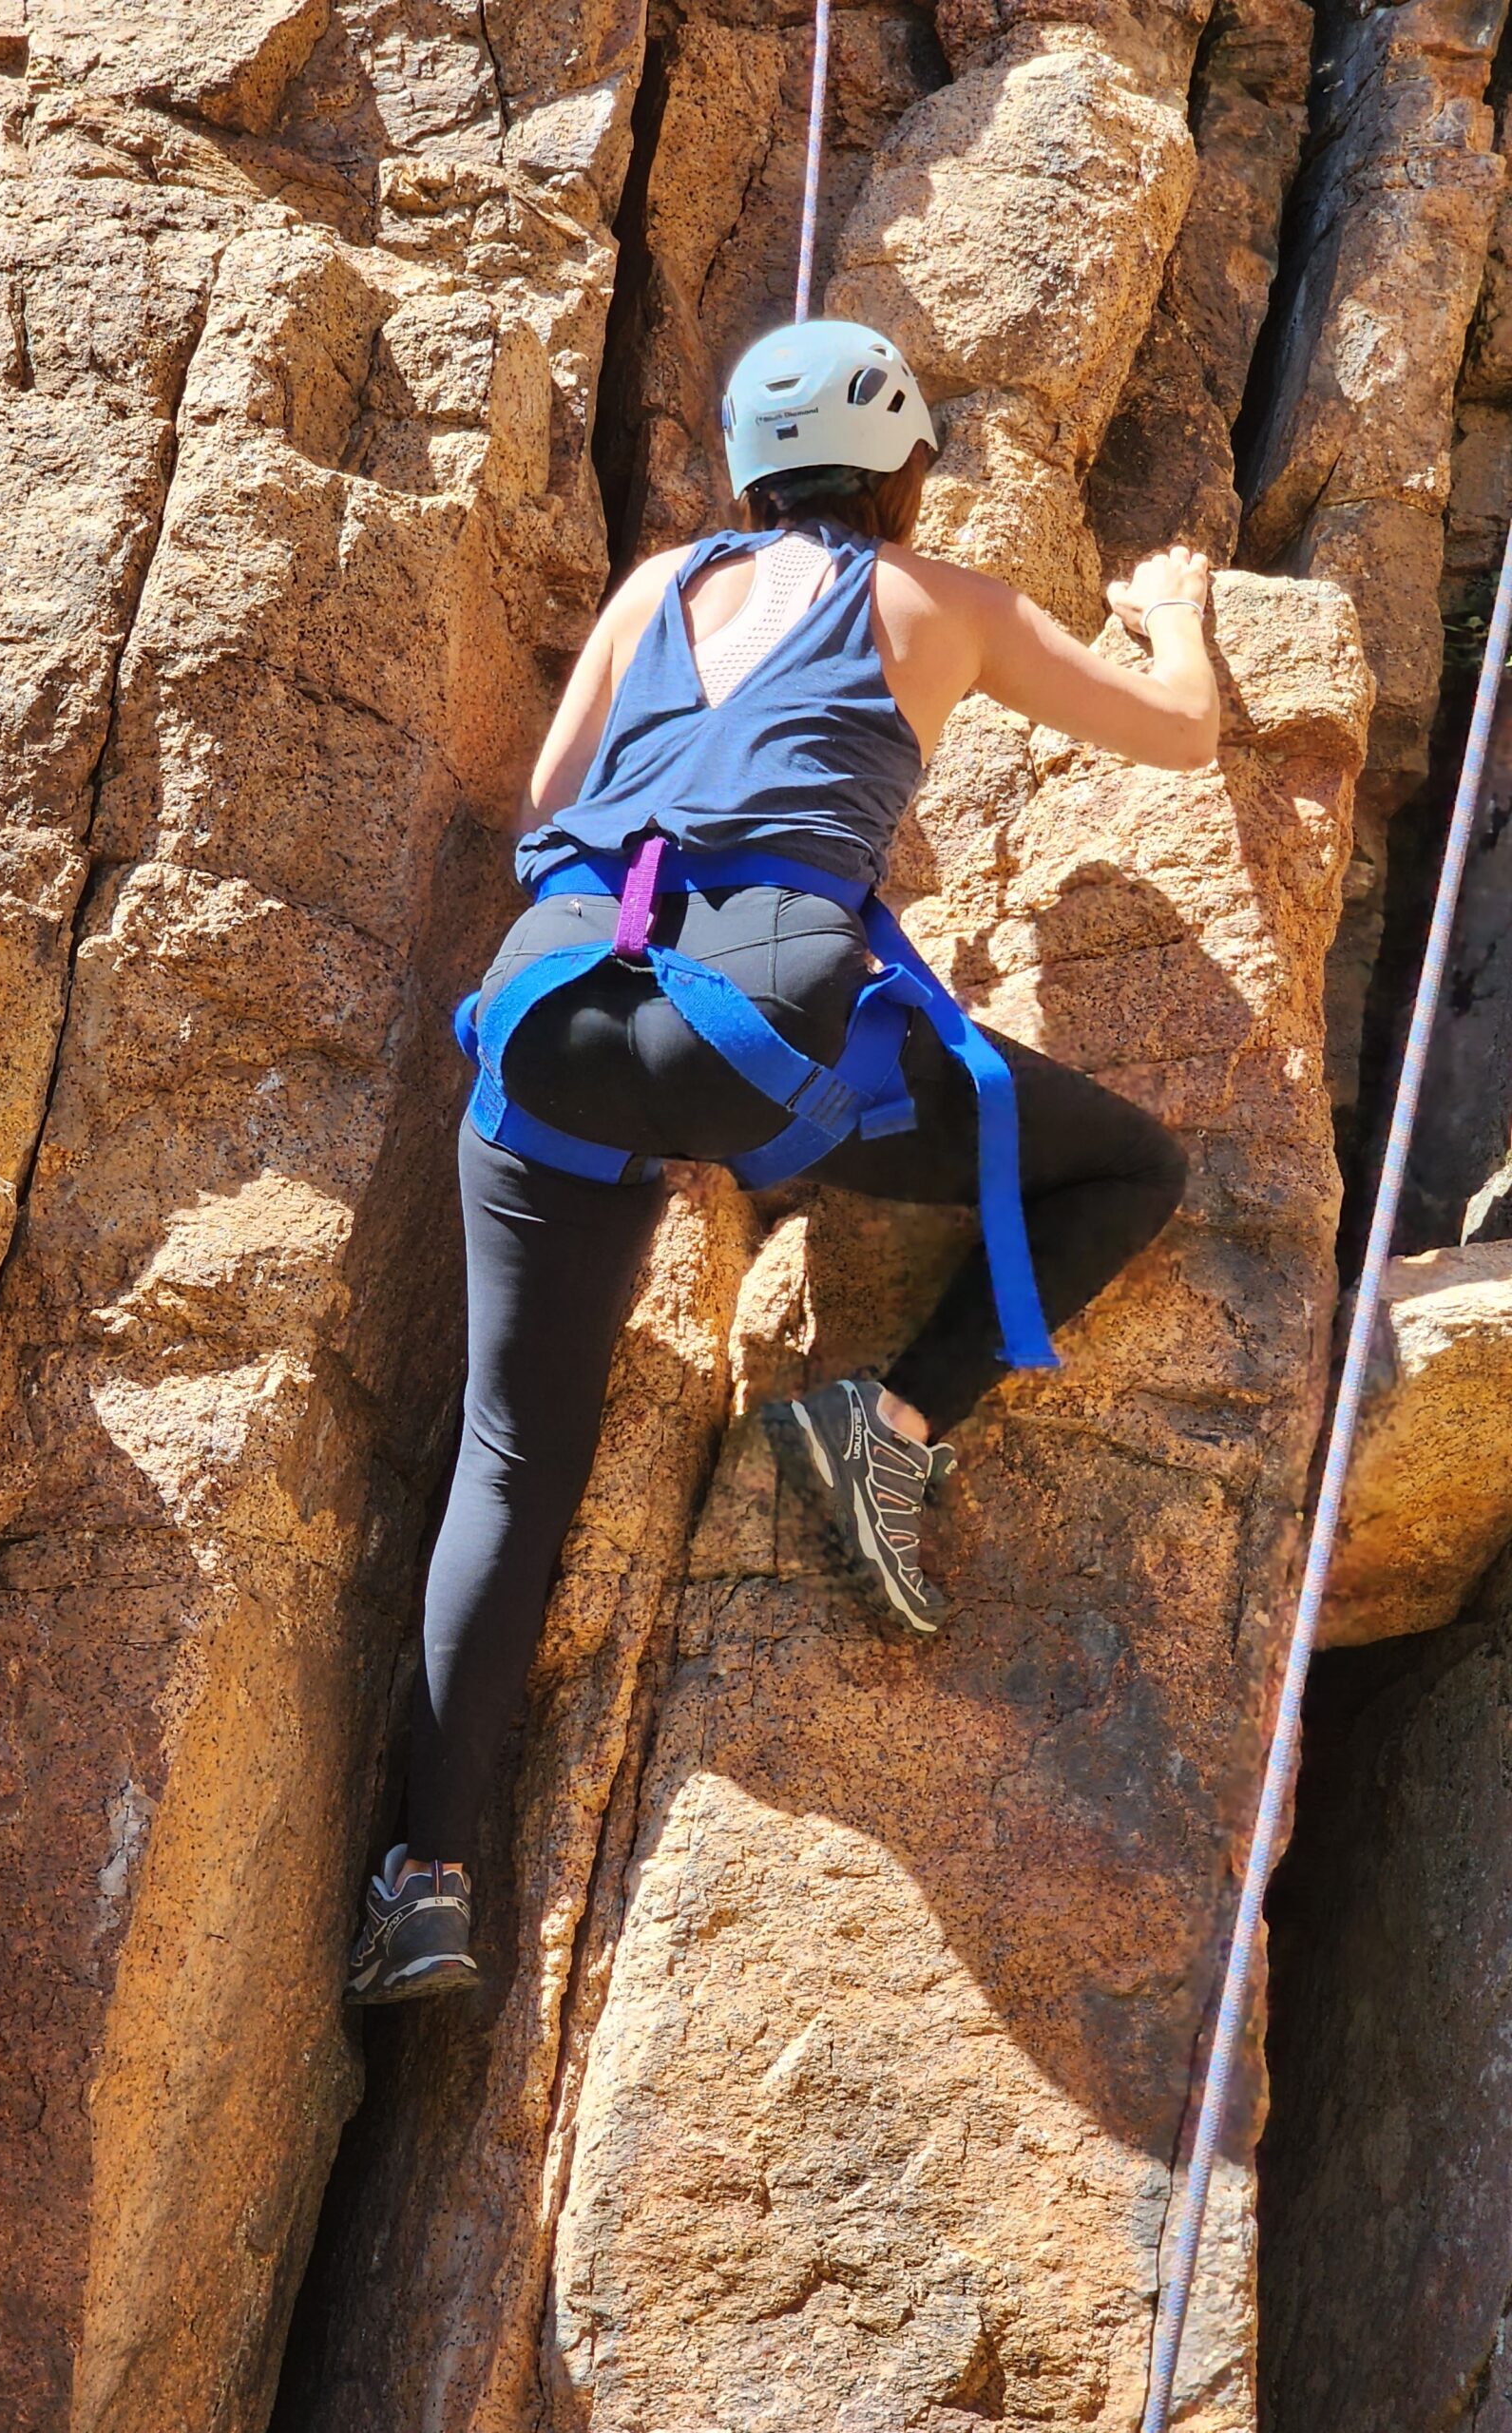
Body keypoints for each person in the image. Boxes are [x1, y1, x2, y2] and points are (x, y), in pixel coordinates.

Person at [347, 319, 1211, 2005]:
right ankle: (890, 1427)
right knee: (1129, 1170)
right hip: (757, 1054)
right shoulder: (943, 604)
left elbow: (550, 800)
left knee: (513, 1459)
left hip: (545, 1019)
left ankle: (423, 1886)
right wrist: (1174, 613)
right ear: (906, 466)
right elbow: (1181, 735)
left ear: (751, 467)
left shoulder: (656, 586)